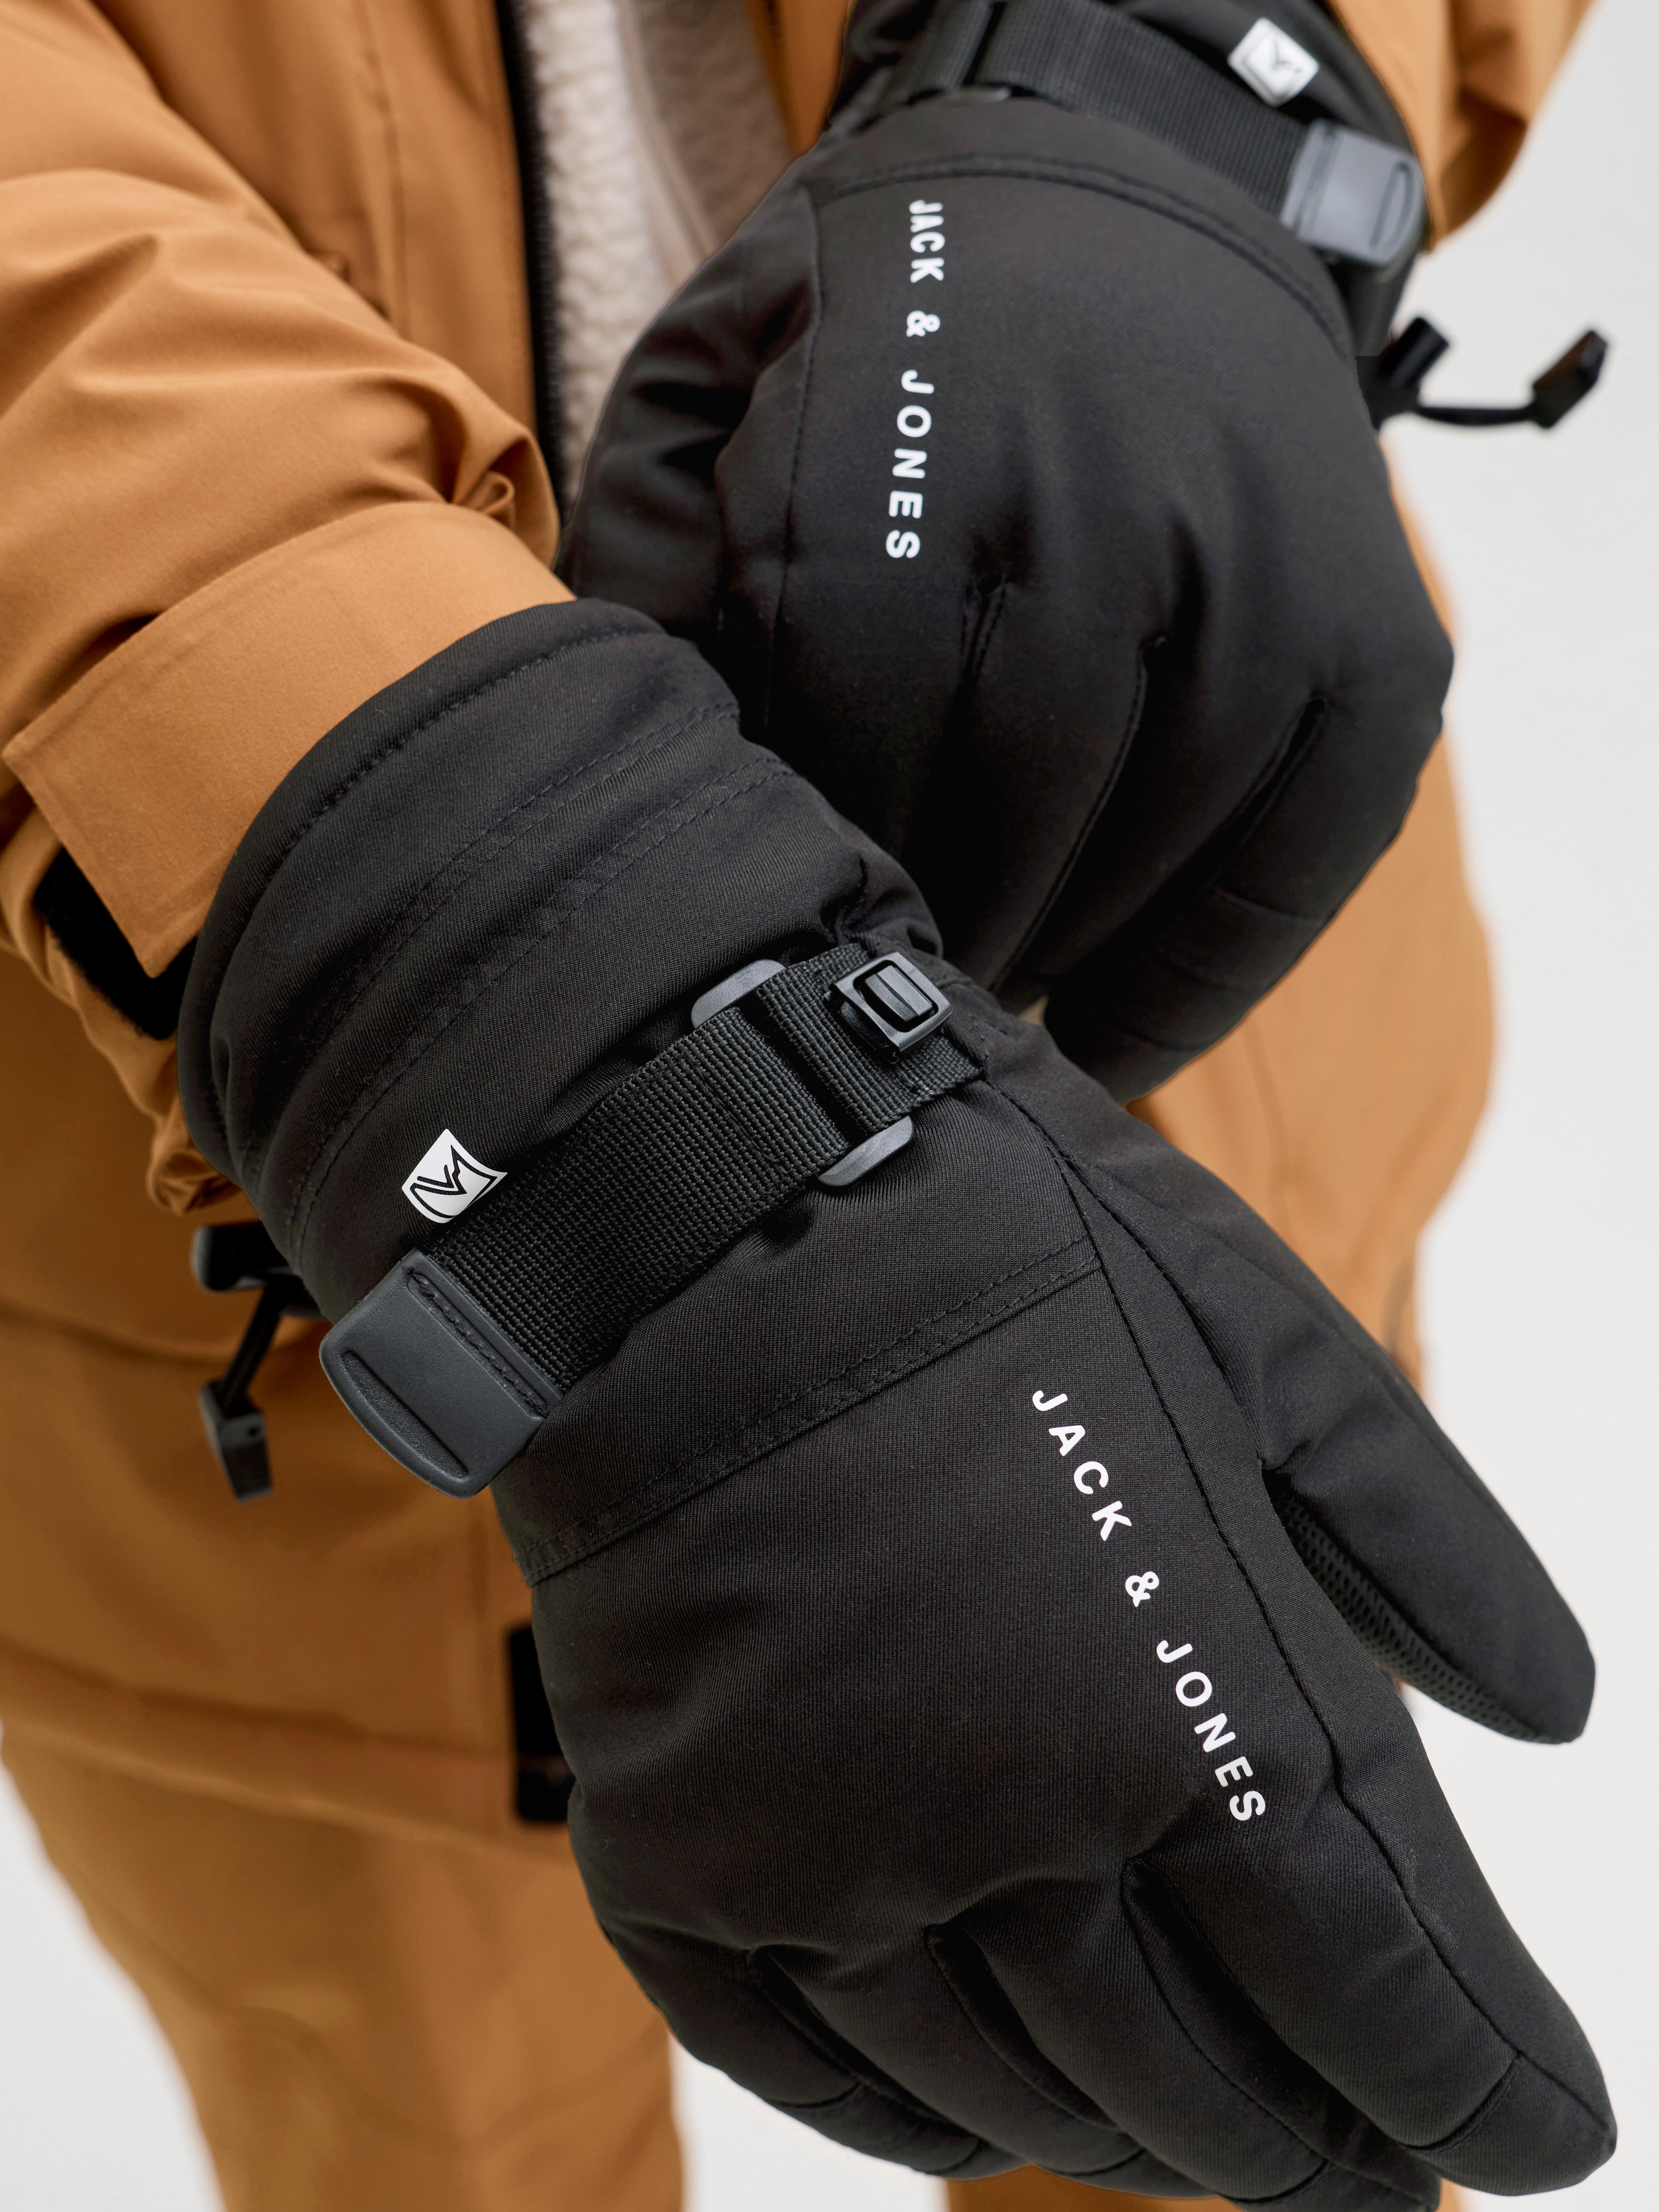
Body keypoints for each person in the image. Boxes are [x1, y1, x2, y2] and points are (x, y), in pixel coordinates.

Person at [0, 2, 1606, 2208]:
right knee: (433, 2151)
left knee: (1223, 2058)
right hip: (219, 1275)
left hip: (1165, 989)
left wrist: (1166, 76)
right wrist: (467, 915)